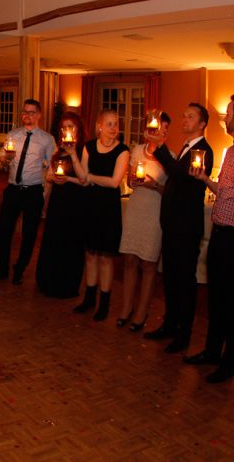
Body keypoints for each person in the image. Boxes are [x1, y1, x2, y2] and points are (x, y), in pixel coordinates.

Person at [185, 94, 234, 383]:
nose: (224, 118)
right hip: (218, 233)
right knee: (215, 297)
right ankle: (212, 352)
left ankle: (228, 364)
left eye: (227, 113)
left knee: (233, 303)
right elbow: (225, 192)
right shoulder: (230, 152)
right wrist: (205, 180)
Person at [143, 103, 213, 350]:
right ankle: (170, 324)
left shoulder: (204, 151)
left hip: (186, 228)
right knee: (171, 278)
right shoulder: (186, 146)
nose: (184, 119)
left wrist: (159, 145)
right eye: (184, 115)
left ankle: (184, 334)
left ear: (202, 124)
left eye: (190, 117)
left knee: (184, 281)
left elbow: (179, 175)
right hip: (173, 225)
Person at [0, 99, 56, 284]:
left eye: (32, 112)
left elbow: (52, 166)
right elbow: (3, 161)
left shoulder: (47, 139)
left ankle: (20, 268)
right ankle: (2, 268)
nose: (28, 115)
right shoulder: (12, 135)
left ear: (39, 115)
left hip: (33, 191)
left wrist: (48, 189)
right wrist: (5, 160)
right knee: (4, 230)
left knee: (29, 233)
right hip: (12, 189)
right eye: (25, 112)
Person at [72, 109, 129, 321]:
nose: (113, 128)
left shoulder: (122, 150)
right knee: (90, 255)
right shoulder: (88, 147)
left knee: (105, 258)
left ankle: (104, 303)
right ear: (99, 126)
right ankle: (89, 299)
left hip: (108, 209)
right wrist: (73, 155)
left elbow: (114, 182)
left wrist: (91, 177)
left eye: (116, 124)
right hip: (89, 206)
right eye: (109, 124)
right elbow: (82, 178)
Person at [116, 113, 170, 332]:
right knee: (129, 259)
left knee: (148, 263)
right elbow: (130, 181)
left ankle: (142, 312)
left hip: (154, 212)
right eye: (157, 128)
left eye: (163, 129)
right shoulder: (137, 150)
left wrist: (153, 184)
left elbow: (171, 192)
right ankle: (126, 307)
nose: (159, 132)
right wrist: (134, 180)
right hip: (136, 209)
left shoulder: (170, 157)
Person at [36, 111, 87, 298]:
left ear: (78, 129)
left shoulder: (84, 150)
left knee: (70, 242)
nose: (67, 130)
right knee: (54, 240)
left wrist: (72, 160)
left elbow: (84, 179)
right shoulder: (58, 151)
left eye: (70, 127)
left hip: (75, 203)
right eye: (64, 127)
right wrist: (54, 179)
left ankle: (67, 284)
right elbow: (49, 175)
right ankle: (49, 280)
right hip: (58, 201)